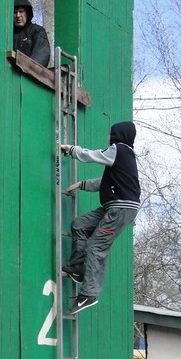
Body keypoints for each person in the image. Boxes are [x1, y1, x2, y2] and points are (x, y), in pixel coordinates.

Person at [61, 121, 141, 315]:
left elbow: (92, 156)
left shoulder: (119, 149)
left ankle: (89, 294)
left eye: (110, 134)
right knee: (79, 225)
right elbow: (105, 182)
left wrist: (72, 150)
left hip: (121, 208)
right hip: (113, 206)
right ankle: (79, 268)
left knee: (96, 246)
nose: (108, 137)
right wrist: (81, 184)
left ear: (118, 135)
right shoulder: (124, 157)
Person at [13, 0, 51, 67]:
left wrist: (26, 69)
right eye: (15, 12)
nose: (18, 15)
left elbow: (41, 56)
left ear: (27, 13)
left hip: (27, 76)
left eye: (21, 11)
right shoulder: (7, 34)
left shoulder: (37, 31)